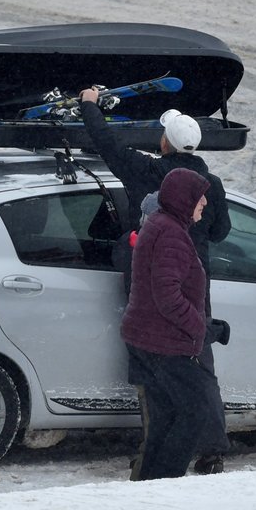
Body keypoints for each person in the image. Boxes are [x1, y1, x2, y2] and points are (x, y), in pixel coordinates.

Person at [80, 89, 232, 473]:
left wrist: (89, 106)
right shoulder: (210, 184)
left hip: (150, 281)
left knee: (152, 368)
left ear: (164, 142)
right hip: (196, 283)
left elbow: (107, 144)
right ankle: (211, 450)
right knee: (199, 364)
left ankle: (155, 452)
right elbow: (221, 232)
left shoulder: (148, 172)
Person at [123, 168, 218, 480]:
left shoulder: (163, 227)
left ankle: (151, 483)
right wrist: (200, 327)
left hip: (150, 340)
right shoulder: (171, 234)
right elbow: (167, 295)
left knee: (165, 417)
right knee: (195, 410)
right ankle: (166, 481)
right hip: (163, 344)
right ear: (183, 199)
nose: (204, 201)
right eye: (199, 195)